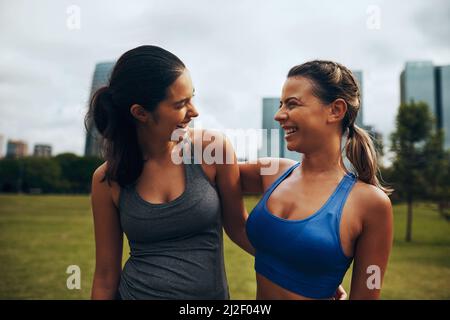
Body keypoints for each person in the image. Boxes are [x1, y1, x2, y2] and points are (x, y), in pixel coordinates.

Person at [86, 45, 252, 300]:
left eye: (192, 97)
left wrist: (311, 273)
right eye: (181, 104)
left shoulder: (212, 149)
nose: (194, 111)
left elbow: (240, 228)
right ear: (140, 113)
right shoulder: (107, 179)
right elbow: (106, 276)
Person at [240, 60, 393, 300]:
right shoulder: (273, 172)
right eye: (281, 104)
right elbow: (211, 169)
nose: (279, 115)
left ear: (336, 110)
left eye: (292, 104)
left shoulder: (371, 204)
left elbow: (368, 289)